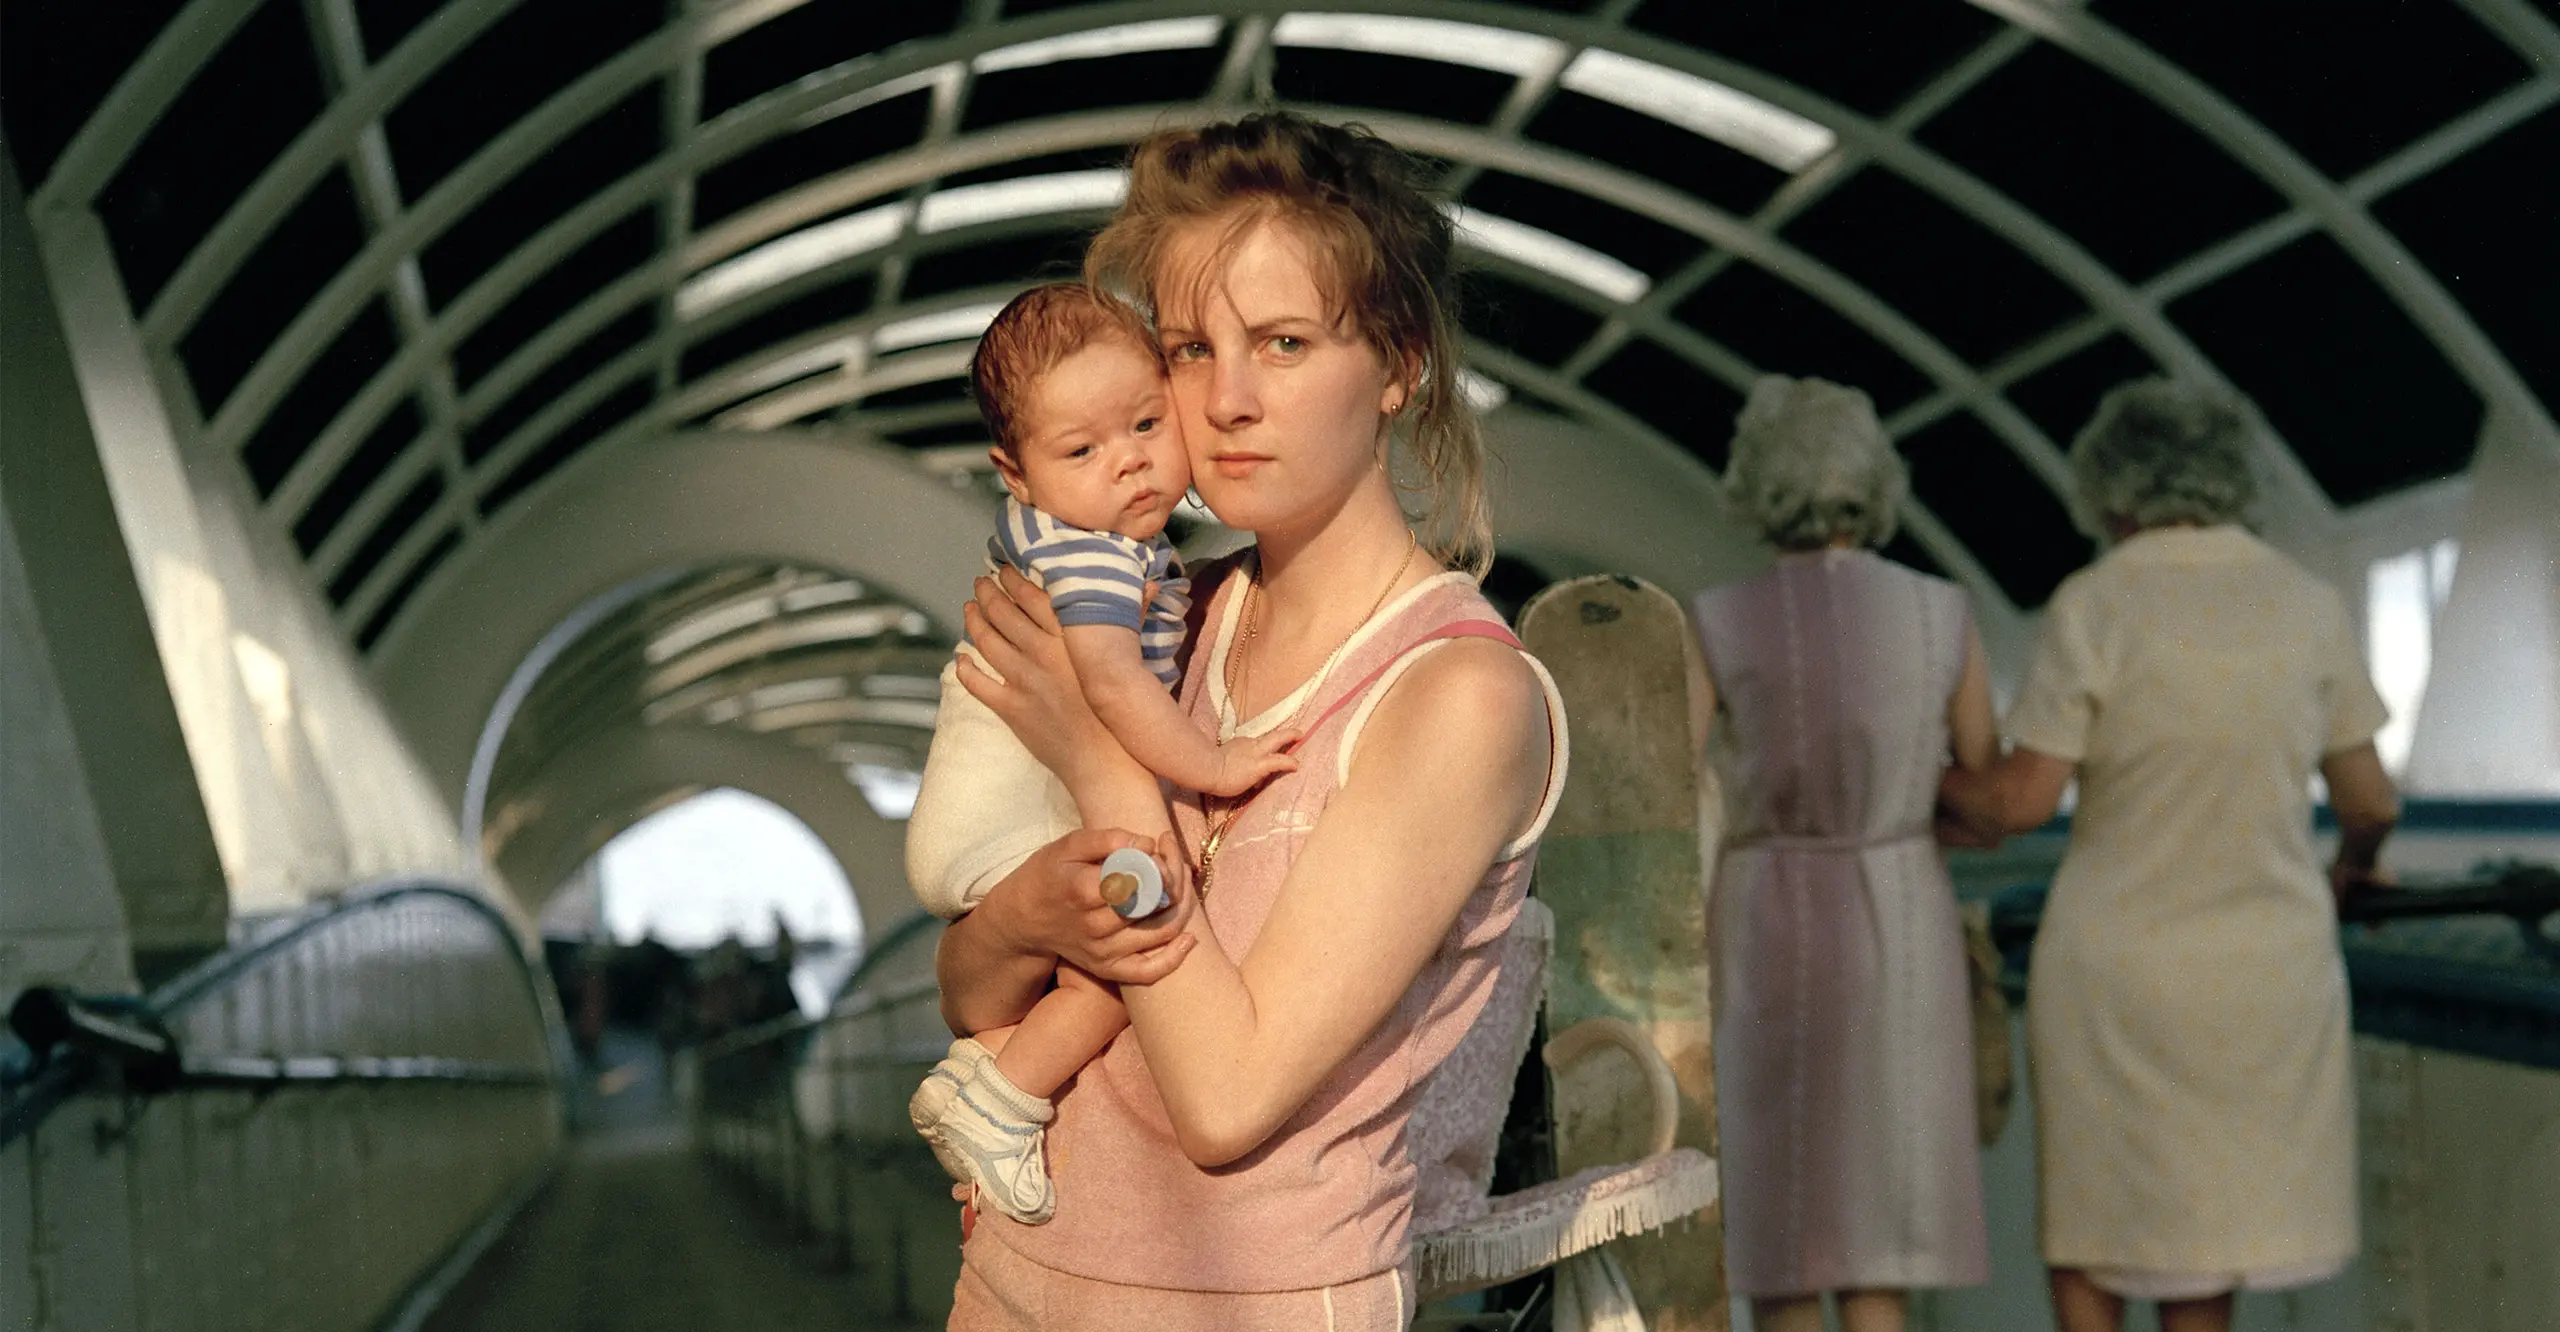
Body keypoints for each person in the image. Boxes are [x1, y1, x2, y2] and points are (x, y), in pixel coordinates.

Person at [928, 111, 1567, 1329]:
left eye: (1282, 342)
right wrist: (1021, 909)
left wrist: (1094, 752)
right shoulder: (1177, 617)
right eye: (1185, 348)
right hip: (1012, 1278)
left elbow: (1225, 1099)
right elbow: (969, 992)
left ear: (1399, 365)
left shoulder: (1454, 695)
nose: (1223, 400)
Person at [1939, 379, 2400, 1332]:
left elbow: (2021, 802)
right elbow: (2371, 801)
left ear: (2111, 490)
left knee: (2096, 1231)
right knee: (2205, 1243)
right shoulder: (2306, 603)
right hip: (2264, 973)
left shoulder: (2097, 601)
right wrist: (2351, 870)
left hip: (2118, 971)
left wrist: (1930, 780)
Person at [904, 282, 1297, 1225]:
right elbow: (1113, 691)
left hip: (1003, 817)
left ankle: (990, 1072)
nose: (1128, 464)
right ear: (1017, 473)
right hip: (1008, 813)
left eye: (1146, 424)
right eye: (1082, 450)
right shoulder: (1093, 559)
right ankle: (1000, 1100)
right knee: (1139, 938)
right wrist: (1218, 767)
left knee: (1107, 937)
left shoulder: (1095, 542)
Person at [1689, 376, 1994, 1332]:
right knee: (1880, 1223)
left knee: (1782, 1224)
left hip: (1762, 907)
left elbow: (1668, 772)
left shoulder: (1717, 615)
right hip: (1899, 903)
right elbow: (1981, 780)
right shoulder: (1943, 611)